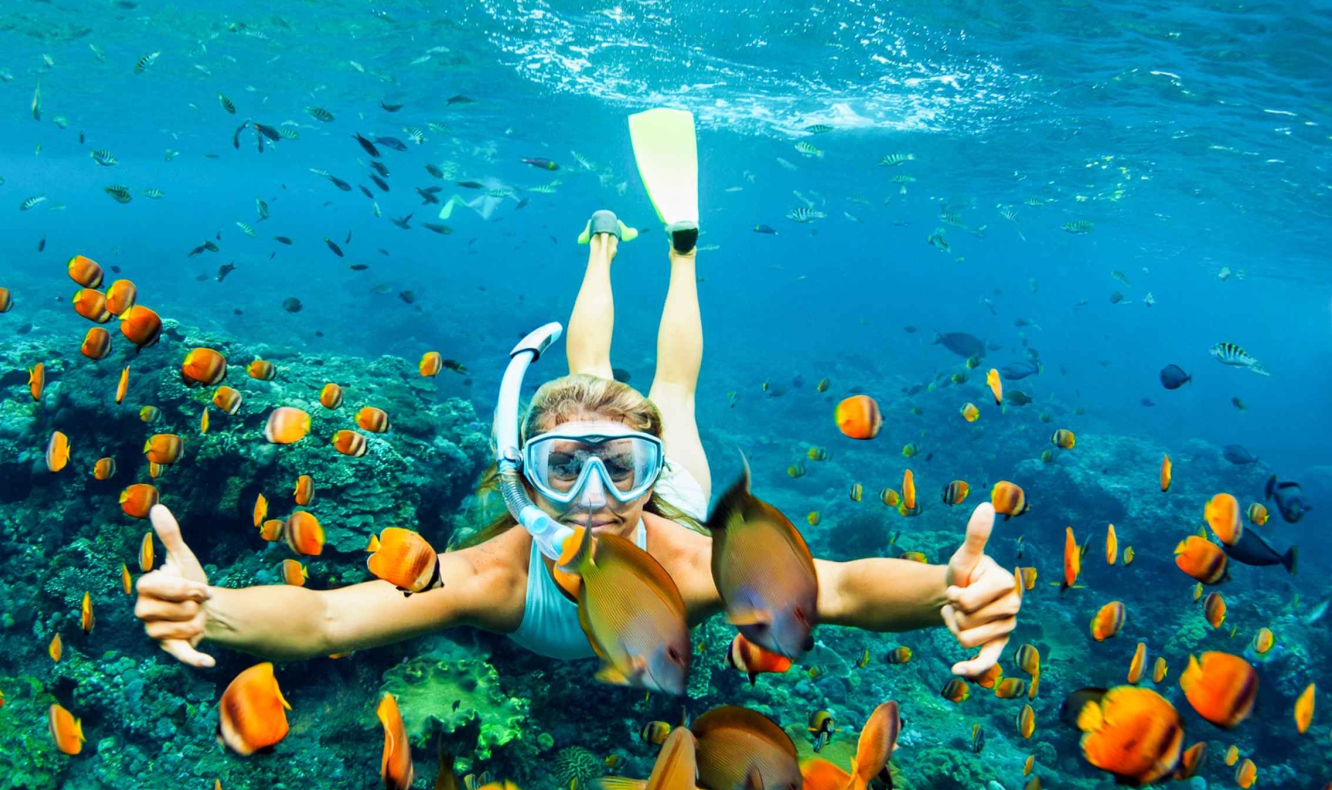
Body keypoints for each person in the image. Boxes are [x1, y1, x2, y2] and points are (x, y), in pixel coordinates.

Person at [134, 110, 1020, 680]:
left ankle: (678, 251)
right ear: (526, 478)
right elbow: (330, 617)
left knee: (670, 387)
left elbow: (841, 590)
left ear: (648, 470)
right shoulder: (494, 573)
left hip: (675, 506)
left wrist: (948, 587)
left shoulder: (688, 558)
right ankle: (600, 252)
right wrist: (215, 610)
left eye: (619, 465)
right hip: (611, 494)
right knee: (593, 370)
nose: (595, 496)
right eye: (566, 466)